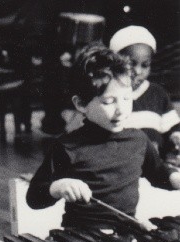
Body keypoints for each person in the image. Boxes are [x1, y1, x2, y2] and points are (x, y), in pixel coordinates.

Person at [26, 44, 180, 230]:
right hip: (82, 240)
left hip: (125, 234)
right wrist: (57, 187)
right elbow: (34, 198)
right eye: (109, 102)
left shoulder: (138, 140)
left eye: (126, 99)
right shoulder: (67, 146)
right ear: (81, 104)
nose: (121, 109)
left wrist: (174, 178)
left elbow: (158, 173)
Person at [109, 25, 180, 156]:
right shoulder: (108, 93)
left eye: (145, 65)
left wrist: (176, 136)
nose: (138, 71)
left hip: (154, 169)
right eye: (131, 63)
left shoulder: (158, 94)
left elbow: (173, 129)